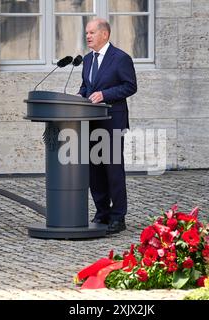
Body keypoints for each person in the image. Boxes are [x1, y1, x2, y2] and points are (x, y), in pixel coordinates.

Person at [78, 19, 137, 234]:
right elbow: (86, 86)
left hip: (112, 122)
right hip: (91, 122)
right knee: (95, 171)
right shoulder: (86, 60)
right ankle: (102, 211)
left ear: (105, 34)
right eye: (86, 32)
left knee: (112, 170)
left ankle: (118, 216)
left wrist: (105, 94)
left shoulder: (120, 58)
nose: (88, 36)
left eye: (92, 32)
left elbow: (130, 86)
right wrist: (79, 96)